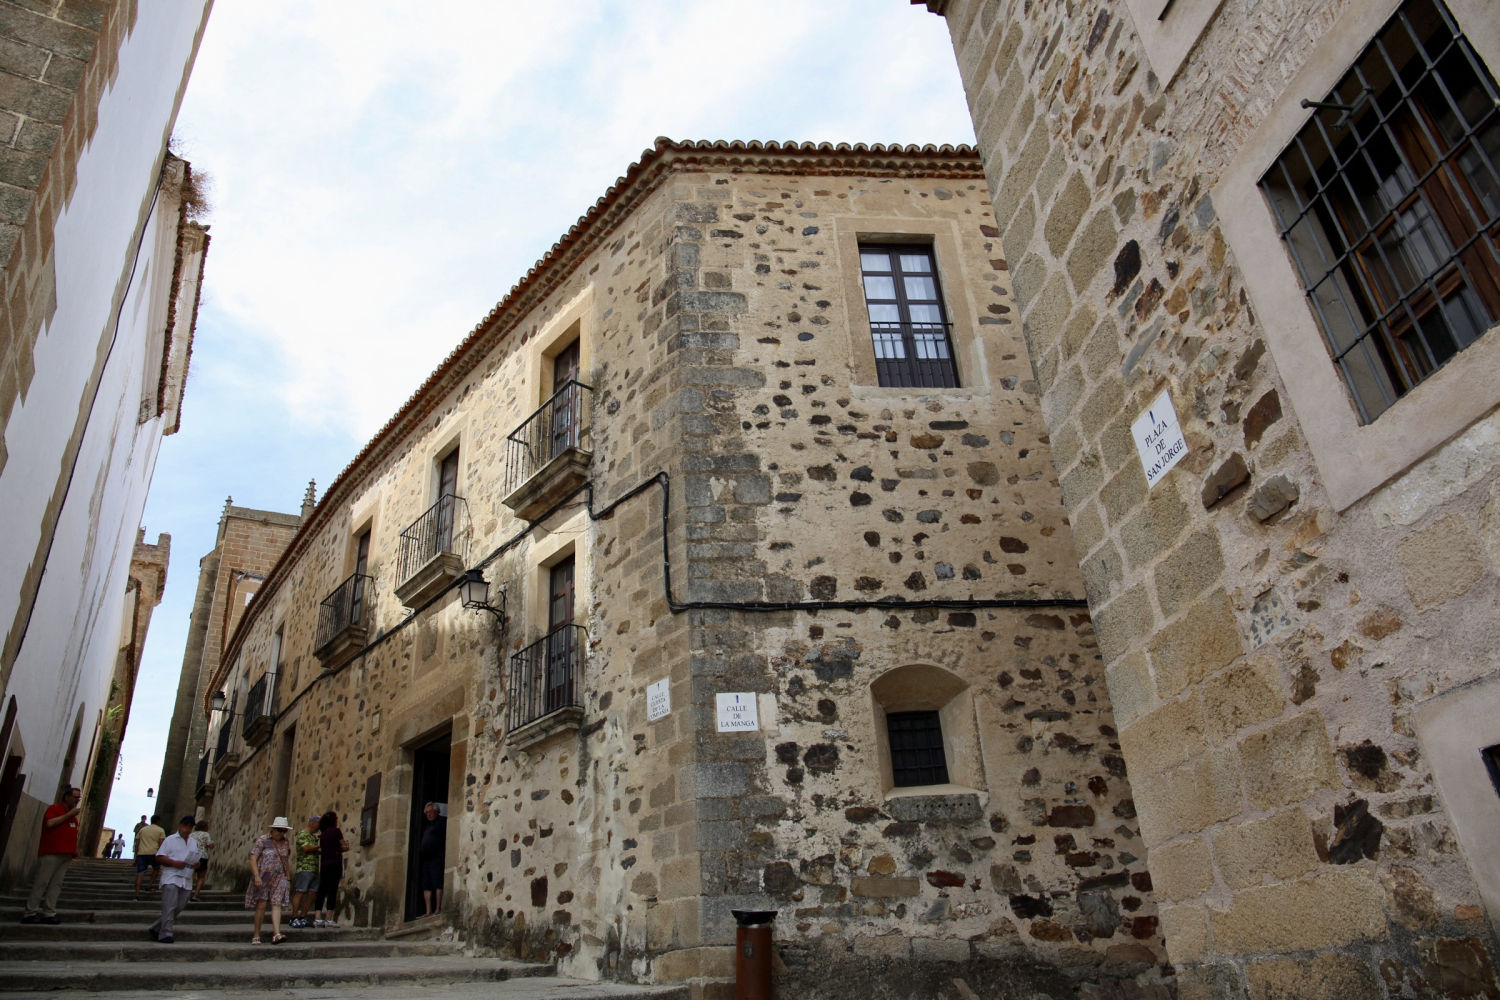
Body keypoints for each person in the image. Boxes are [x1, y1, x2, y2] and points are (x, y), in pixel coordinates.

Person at [20, 786, 81, 924]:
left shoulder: (73, 818)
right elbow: (50, 823)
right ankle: (30, 912)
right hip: (51, 852)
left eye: (79, 798)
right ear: (66, 797)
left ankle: (49, 912)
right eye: (75, 797)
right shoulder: (54, 809)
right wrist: (68, 815)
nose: (77, 800)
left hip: (66, 855)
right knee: (42, 882)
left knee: (56, 884)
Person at [147, 816, 202, 943]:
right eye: (185, 826)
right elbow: (159, 857)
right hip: (171, 876)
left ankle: (156, 927)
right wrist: (173, 862)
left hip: (186, 878)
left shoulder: (193, 842)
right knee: (170, 906)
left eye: (190, 827)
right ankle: (166, 934)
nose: (187, 829)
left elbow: (194, 857)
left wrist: (196, 864)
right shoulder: (170, 840)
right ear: (179, 826)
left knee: (179, 907)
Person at [245, 816, 293, 945]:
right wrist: (256, 876)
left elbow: (285, 860)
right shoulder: (263, 840)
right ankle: (256, 935)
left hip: (279, 876)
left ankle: (276, 933)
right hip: (263, 876)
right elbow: (253, 857)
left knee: (276, 903)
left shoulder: (285, 842)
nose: (281, 833)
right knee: (261, 905)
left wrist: (287, 877)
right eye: (279, 830)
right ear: (273, 830)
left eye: (284, 830)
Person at [311, 809, 348, 928]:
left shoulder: (323, 834)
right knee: (332, 890)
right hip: (335, 862)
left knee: (322, 890)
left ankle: (317, 918)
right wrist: (342, 848)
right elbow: (343, 846)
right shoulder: (336, 831)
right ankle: (328, 918)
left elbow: (322, 850)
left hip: (325, 864)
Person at [289, 815, 320, 928]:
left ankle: (303, 916)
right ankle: (294, 917)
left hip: (314, 868)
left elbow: (316, 849)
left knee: (312, 893)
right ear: (312, 823)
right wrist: (318, 846)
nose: (319, 827)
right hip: (304, 868)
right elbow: (305, 848)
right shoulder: (303, 834)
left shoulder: (313, 837)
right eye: (318, 824)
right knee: (300, 891)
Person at [418, 802, 445, 916]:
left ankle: (438, 909)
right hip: (427, 859)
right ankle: (428, 911)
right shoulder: (427, 826)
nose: (428, 814)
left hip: (437, 857)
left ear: (437, 812)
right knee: (426, 884)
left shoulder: (442, 822)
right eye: (427, 812)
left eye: (431, 812)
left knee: (437, 882)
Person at [133, 814, 165, 899]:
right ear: (158, 821)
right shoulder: (160, 830)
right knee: (157, 868)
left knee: (140, 873)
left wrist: (136, 855)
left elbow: (137, 843)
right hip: (154, 853)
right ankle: (150, 884)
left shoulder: (143, 830)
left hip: (142, 853)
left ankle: (137, 894)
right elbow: (162, 844)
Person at [189, 819, 213, 900]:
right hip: (202, 856)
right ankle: (195, 895)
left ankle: (187, 892)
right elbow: (210, 845)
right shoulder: (206, 834)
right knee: (201, 877)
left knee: (190, 875)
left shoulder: (191, 835)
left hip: (192, 856)